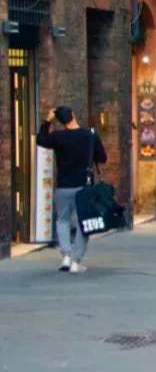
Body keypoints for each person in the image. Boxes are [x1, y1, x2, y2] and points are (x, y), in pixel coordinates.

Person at [36, 106, 108, 274]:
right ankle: (76, 261)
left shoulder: (57, 137)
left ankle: (66, 256)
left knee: (62, 220)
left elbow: (41, 140)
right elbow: (102, 158)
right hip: (83, 186)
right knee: (84, 223)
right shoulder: (89, 135)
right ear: (74, 115)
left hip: (63, 186)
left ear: (59, 121)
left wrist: (47, 120)